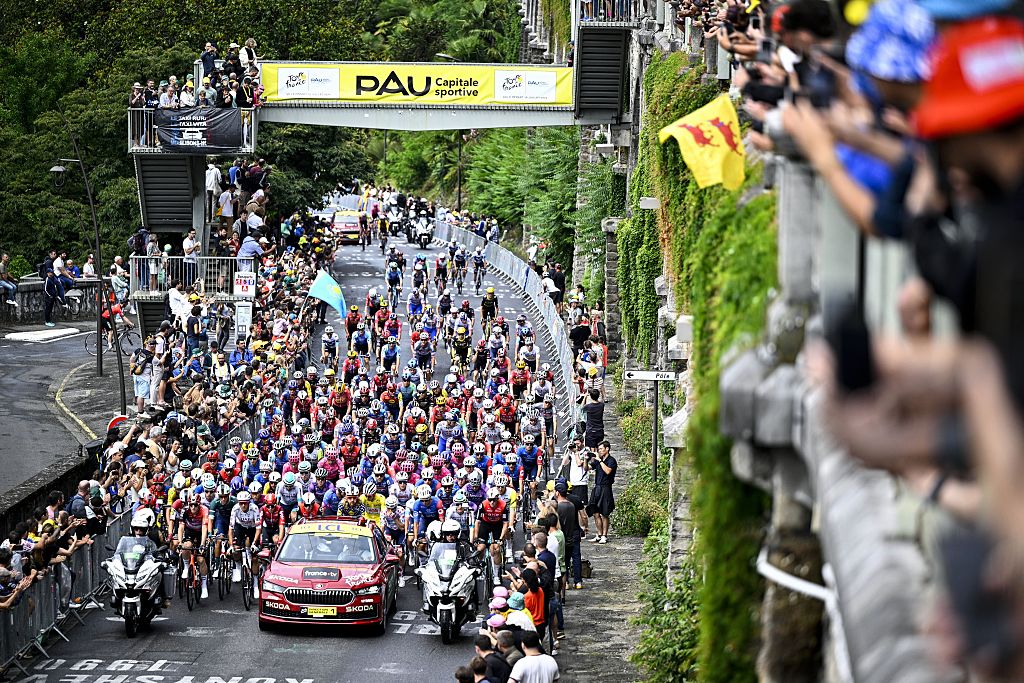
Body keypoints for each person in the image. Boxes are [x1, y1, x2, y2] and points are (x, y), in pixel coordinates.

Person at [586, 441, 616, 544]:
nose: (599, 451)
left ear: (607, 449)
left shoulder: (611, 460)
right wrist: (586, 460)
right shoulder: (598, 461)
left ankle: (604, 535)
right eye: (598, 449)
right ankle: (599, 534)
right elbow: (587, 468)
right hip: (597, 488)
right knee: (595, 512)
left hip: (606, 488)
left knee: (605, 513)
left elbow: (608, 471)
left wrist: (600, 461)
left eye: (601, 449)